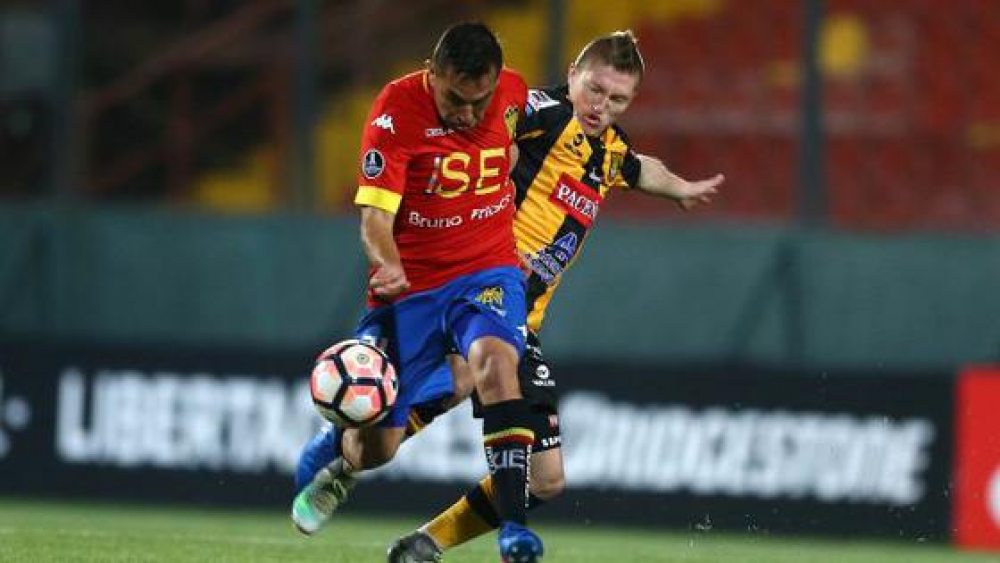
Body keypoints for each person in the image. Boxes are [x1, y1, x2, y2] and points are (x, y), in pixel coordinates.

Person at [297, 30, 724, 562]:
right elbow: (479, 127)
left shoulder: (611, 152)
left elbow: (641, 169)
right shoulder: (541, 112)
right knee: (462, 378)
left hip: (525, 320)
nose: (601, 106)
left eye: (618, 99)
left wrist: (680, 188)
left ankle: (421, 539)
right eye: (595, 90)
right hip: (477, 285)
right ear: (572, 75)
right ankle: (345, 455)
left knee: (546, 480)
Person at [289, 22, 545, 562]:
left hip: (489, 270)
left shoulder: (514, 92)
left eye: (479, 101)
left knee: (495, 365)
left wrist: (504, 221)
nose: (468, 114)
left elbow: (510, 157)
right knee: (377, 447)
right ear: (433, 73)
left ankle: (514, 529)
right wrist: (389, 263)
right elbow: (375, 217)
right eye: (455, 99)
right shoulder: (396, 110)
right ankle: (341, 452)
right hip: (416, 286)